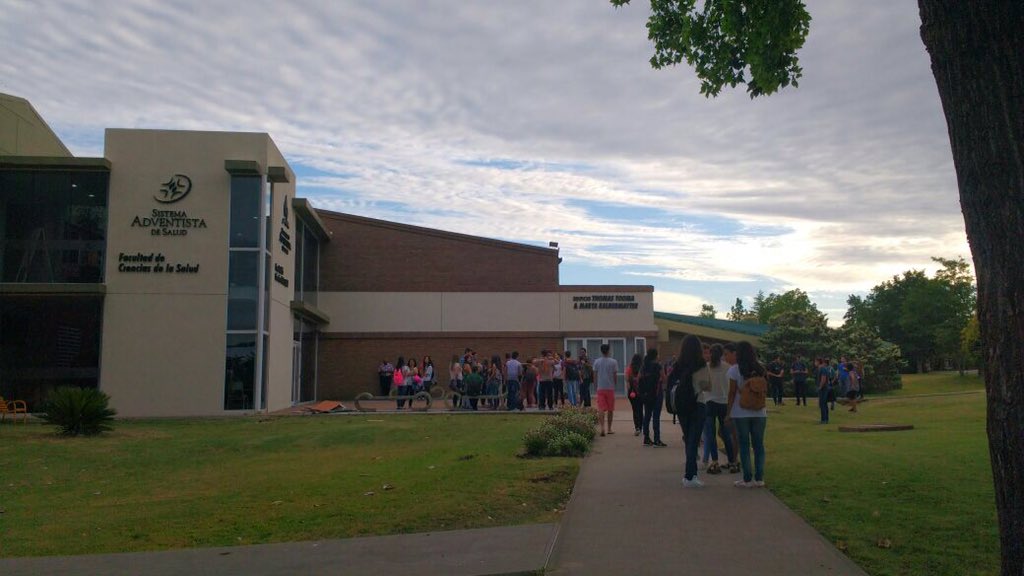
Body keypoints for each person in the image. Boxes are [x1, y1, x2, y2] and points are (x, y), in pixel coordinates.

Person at [726, 341, 768, 488]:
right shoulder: (761, 368)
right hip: (759, 411)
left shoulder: (734, 370)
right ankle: (759, 478)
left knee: (744, 445)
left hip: (740, 411)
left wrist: (728, 413)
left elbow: (731, 393)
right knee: (759, 445)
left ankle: (747, 479)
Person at [671, 335, 711, 487]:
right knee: (694, 441)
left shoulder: (678, 364)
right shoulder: (701, 364)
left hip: (682, 406)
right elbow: (707, 385)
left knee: (688, 439)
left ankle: (689, 475)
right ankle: (690, 476)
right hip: (697, 404)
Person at [703, 343, 737, 474]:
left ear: (711, 354)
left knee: (711, 434)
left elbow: (703, 386)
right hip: (724, 402)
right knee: (725, 433)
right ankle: (732, 462)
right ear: (722, 354)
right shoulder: (728, 367)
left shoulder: (706, 368)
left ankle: (715, 461)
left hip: (710, 401)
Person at [639, 348, 667, 447]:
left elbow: (640, 379)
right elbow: (664, 379)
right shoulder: (658, 366)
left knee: (647, 416)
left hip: (646, 394)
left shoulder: (643, 366)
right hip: (657, 393)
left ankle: (646, 438)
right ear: (656, 355)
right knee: (656, 417)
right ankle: (657, 439)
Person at [592, 343, 619, 436]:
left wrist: (595, 386)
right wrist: (614, 384)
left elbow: (595, 375)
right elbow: (615, 375)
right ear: (608, 350)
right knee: (610, 409)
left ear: (601, 351)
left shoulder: (597, 362)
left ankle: (602, 428)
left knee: (601, 408)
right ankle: (609, 428)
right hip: (610, 388)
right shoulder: (613, 362)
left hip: (600, 387)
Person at [626, 353, 644, 438]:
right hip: (641, 392)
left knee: (635, 410)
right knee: (640, 409)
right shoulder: (642, 368)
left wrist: (629, 391)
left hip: (632, 392)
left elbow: (627, 381)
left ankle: (637, 427)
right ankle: (641, 426)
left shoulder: (629, 368)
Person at [816, 357, 831, 424]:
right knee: (823, 404)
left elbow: (823, 378)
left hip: (824, 388)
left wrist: (820, 387)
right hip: (823, 388)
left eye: (815, 361)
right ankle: (825, 419)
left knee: (822, 404)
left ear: (818, 362)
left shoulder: (822, 369)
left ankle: (824, 420)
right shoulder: (821, 368)